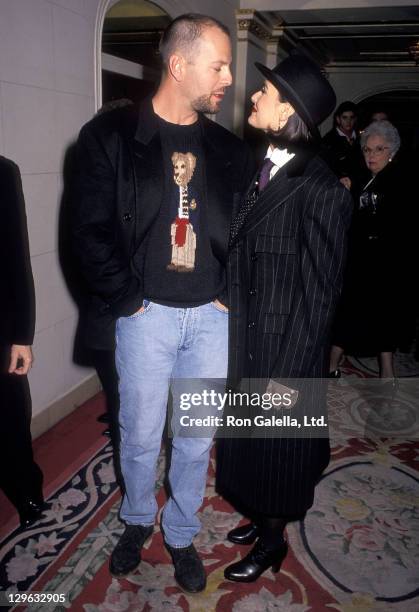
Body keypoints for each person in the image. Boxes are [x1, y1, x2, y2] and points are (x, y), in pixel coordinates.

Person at [72, 14, 253, 593]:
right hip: (145, 317)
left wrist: (227, 292)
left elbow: (248, 229)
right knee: (143, 432)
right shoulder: (110, 137)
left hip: (211, 320)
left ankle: (179, 531)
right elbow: (87, 231)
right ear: (179, 65)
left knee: (197, 437)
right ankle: (135, 520)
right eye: (218, 64)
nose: (229, 76)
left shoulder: (229, 149)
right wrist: (128, 300)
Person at [216, 53, 352, 582]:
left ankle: (273, 542)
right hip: (247, 339)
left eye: (265, 92)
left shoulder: (320, 190)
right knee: (249, 448)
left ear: (289, 110)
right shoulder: (265, 167)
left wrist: (286, 382)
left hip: (283, 354)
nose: (253, 96)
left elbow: (320, 300)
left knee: (277, 455)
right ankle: (258, 516)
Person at [329, 120, 411, 380]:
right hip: (360, 258)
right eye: (367, 149)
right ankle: (333, 364)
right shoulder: (365, 178)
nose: (372, 155)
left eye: (379, 149)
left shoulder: (398, 180)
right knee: (350, 310)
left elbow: (391, 222)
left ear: (392, 152)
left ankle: (386, 371)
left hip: (383, 260)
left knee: (380, 314)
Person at [0, 156, 45, 528]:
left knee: (11, 411)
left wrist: (22, 336)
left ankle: (25, 486)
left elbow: (16, 255)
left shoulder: (2, 171)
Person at [322, 100, 360, 190]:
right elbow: (325, 168)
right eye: (345, 117)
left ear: (355, 119)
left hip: (358, 187)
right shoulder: (328, 141)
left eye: (351, 117)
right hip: (337, 188)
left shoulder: (361, 138)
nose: (348, 121)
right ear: (338, 119)